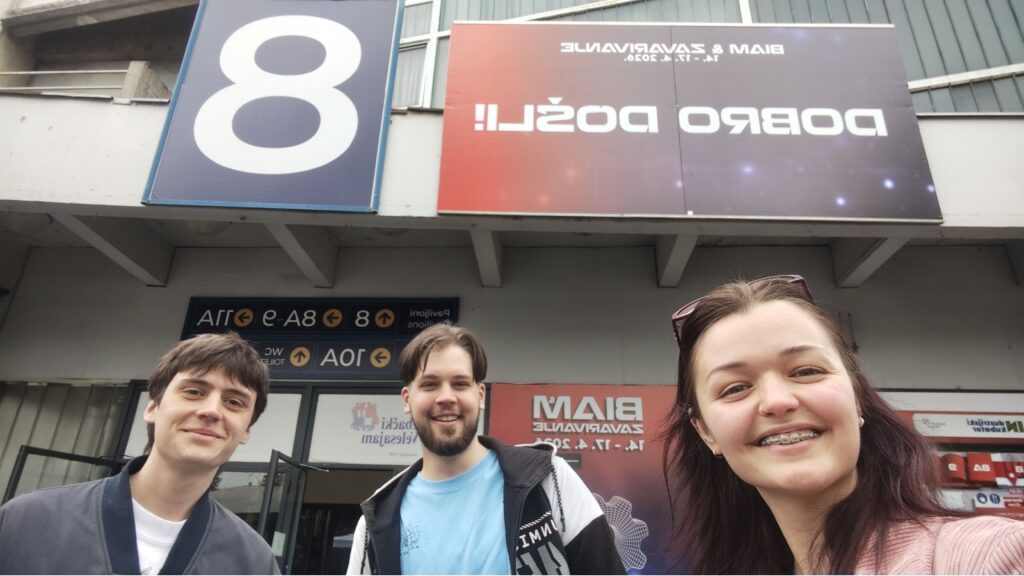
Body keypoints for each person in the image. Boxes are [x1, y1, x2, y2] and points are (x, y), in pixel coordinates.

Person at [663, 275, 1024, 574]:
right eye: (735, 388)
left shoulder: (990, 555)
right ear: (705, 432)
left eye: (806, 371)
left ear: (857, 399)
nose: (777, 401)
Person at [347, 323, 625, 575]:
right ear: (407, 399)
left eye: (460, 384)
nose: (446, 397)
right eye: (430, 384)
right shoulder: (375, 524)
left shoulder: (549, 479)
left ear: (480, 395)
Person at [0, 332, 279, 574]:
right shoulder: (26, 522)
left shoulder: (255, 562)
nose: (212, 411)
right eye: (194, 391)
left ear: (246, 431)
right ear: (153, 409)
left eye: (234, 402)